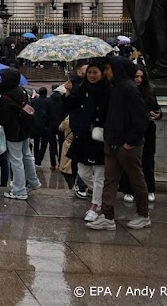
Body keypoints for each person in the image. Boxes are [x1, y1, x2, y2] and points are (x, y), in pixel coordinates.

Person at [88, 56, 153, 231]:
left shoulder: (129, 89)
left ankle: (143, 214)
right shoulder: (115, 87)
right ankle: (107, 216)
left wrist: (130, 143)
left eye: (108, 69)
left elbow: (141, 118)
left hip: (127, 145)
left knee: (136, 179)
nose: (106, 72)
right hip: (112, 142)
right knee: (110, 180)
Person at [64, 61, 109, 222]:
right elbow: (69, 107)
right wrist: (68, 92)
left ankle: (95, 205)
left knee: (99, 175)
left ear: (102, 73)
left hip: (99, 135)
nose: (91, 75)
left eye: (95, 72)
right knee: (83, 172)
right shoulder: (82, 89)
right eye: (89, 73)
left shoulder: (107, 90)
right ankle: (103, 195)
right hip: (83, 135)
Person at [0, 69, 41, 200]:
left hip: (13, 131)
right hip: (25, 128)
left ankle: (19, 190)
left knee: (16, 160)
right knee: (27, 155)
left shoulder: (6, 97)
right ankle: (33, 181)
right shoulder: (22, 91)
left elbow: (4, 119)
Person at [120, 65, 161, 203]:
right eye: (136, 76)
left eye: (141, 77)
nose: (138, 79)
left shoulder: (149, 91)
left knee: (148, 161)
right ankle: (128, 190)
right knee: (129, 160)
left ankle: (150, 189)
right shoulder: (125, 91)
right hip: (130, 129)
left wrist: (157, 114)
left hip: (147, 130)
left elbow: (156, 108)